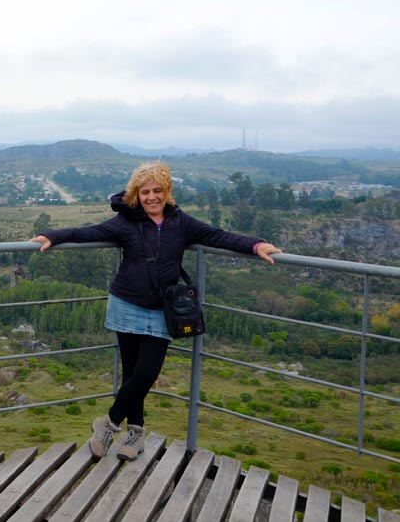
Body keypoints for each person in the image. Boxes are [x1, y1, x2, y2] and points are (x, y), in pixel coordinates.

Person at [30, 161, 281, 461]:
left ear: (167, 192)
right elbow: (88, 233)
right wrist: (53, 236)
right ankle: (135, 434)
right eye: (145, 191)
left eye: (157, 190)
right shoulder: (126, 223)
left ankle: (107, 423)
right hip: (126, 304)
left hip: (162, 310)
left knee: (146, 373)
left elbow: (217, 236)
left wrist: (256, 246)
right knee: (132, 374)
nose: (152, 197)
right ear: (137, 194)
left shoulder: (181, 222)